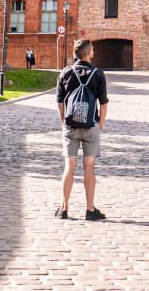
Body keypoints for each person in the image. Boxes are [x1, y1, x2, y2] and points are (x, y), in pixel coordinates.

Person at [55, 38, 108, 221]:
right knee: (89, 168)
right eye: (92, 49)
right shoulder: (98, 74)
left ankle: (64, 208)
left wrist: (64, 121)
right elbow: (104, 103)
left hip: (70, 126)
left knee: (69, 167)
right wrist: (100, 124)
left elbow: (60, 102)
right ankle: (90, 209)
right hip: (90, 126)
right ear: (89, 53)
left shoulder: (65, 73)